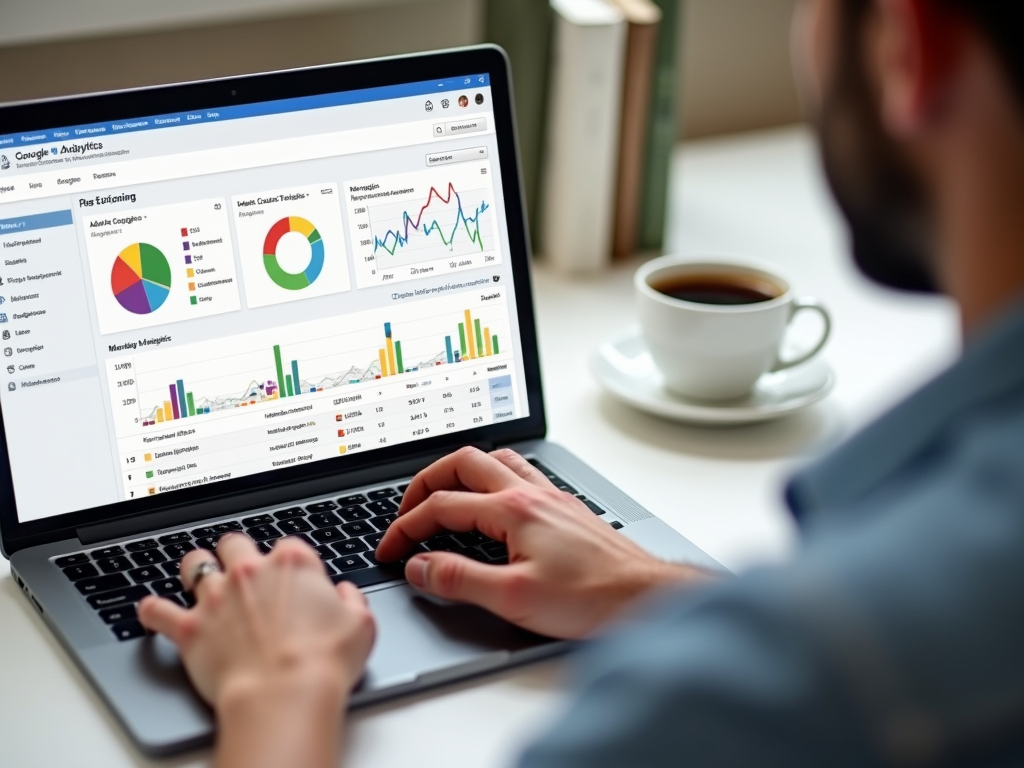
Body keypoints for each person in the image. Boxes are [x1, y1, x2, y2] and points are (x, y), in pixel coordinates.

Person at [139, 0, 1024, 765]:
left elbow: (828, 673)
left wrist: (279, 690)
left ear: (911, 43)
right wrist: (662, 591)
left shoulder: (712, 711)